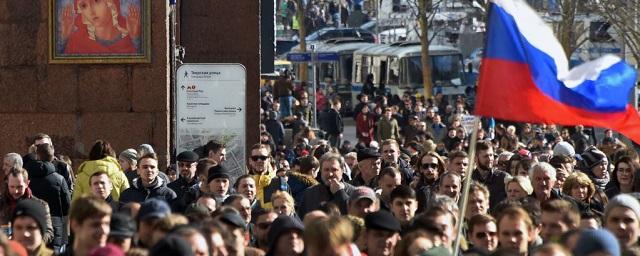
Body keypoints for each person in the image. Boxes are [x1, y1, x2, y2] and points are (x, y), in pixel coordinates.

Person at [26, 144, 71, 251]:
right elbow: (67, 205)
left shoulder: (26, 175)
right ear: (52, 156)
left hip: (32, 219)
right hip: (55, 223)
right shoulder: (59, 179)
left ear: (37, 156)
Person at [60, 0, 141, 54]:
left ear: (111, 3)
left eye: (97, 1)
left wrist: (135, 38)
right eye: (84, 5)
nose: (91, 11)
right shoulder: (77, 42)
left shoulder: (130, 41)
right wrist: (64, 38)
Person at [472, 140, 508, 208]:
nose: (490, 159)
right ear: (475, 158)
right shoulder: (469, 181)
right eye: (485, 156)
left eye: (491, 155)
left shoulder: (503, 178)